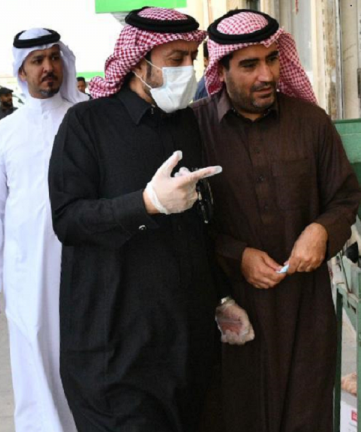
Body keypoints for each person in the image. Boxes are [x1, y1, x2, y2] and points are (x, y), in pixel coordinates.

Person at [50, 8, 252, 431]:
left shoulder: (186, 124)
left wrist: (220, 298)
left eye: (192, 58)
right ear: (139, 63)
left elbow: (196, 227)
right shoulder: (87, 123)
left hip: (184, 348)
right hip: (116, 352)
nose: (187, 68)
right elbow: (69, 220)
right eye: (175, 58)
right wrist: (145, 203)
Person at [192, 10, 361, 431]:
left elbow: (345, 197)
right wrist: (236, 255)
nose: (266, 75)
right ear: (221, 68)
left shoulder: (312, 122)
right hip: (227, 309)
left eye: (272, 60)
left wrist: (321, 230)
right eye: (249, 65)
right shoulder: (193, 128)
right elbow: (184, 225)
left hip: (306, 310)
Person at [0, 28, 88, 431]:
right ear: (21, 71)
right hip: (25, 269)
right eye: (37, 61)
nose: (48, 67)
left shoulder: (84, 118)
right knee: (32, 352)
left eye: (54, 58)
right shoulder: (6, 131)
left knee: (79, 350)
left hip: (80, 262)